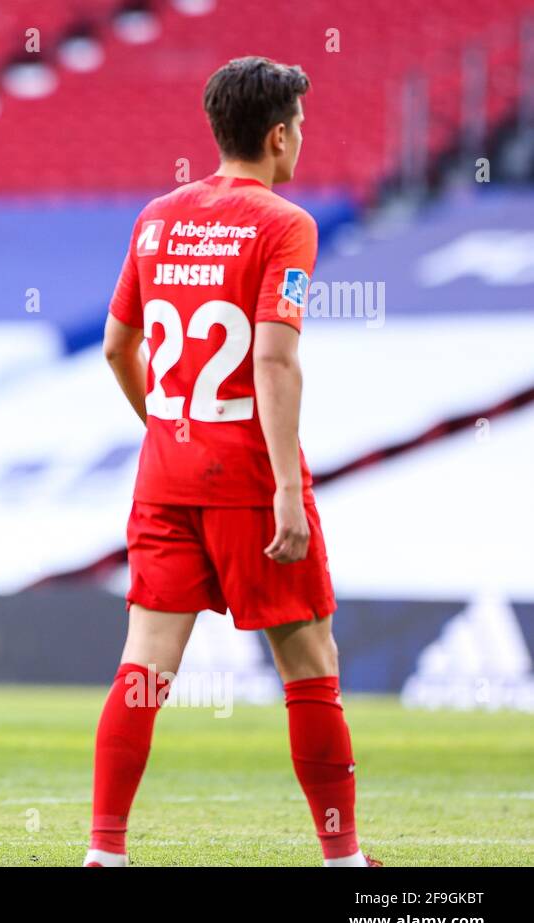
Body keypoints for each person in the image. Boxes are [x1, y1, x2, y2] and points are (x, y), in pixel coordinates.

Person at [89, 56, 380, 867]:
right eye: (302, 130)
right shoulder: (287, 223)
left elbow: (119, 346)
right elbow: (275, 360)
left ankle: (104, 853)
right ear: (280, 134)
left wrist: (167, 425)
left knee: (144, 668)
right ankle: (344, 860)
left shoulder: (157, 217)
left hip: (167, 477)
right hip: (250, 479)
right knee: (309, 665)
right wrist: (289, 486)